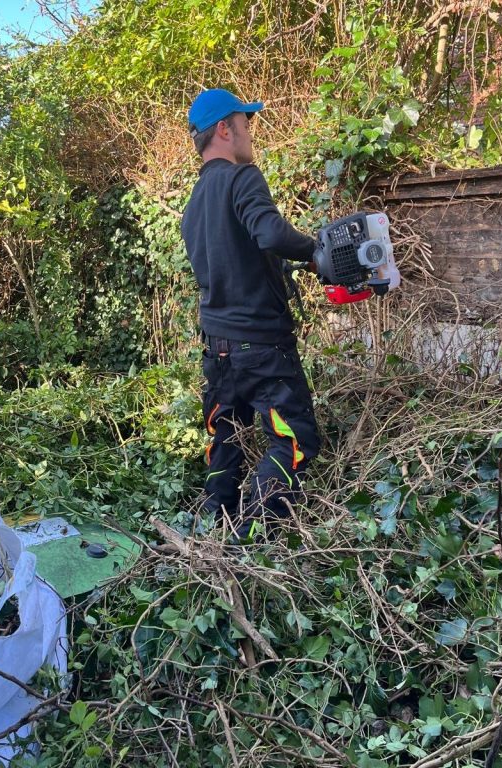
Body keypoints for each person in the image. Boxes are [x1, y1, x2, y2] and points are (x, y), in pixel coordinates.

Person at [181, 88, 321, 538]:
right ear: (225, 129)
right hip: (261, 346)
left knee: (227, 436)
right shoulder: (241, 178)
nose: (250, 132)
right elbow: (270, 233)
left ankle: (211, 524)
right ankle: (247, 534)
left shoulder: (193, 206)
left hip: (217, 349)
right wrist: (315, 252)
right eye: (246, 122)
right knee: (295, 438)